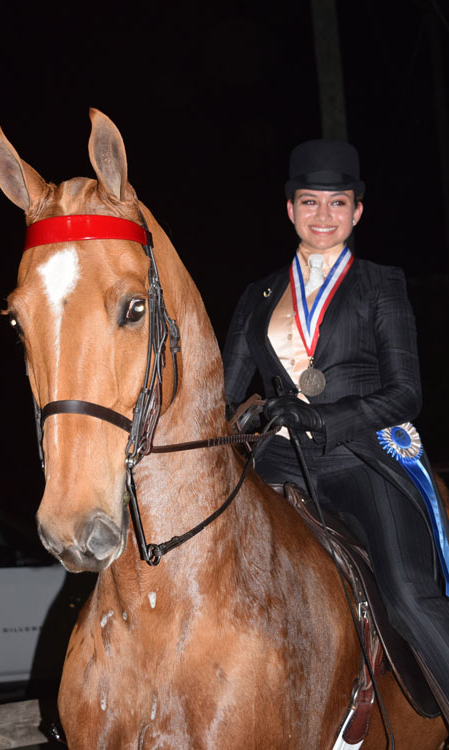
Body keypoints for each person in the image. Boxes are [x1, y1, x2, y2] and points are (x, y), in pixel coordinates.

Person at [222, 138, 449, 721]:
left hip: (362, 459)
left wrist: (322, 417)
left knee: (408, 596)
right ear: (291, 210)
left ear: (357, 212)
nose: (324, 216)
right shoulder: (258, 296)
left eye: (338, 203)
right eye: (311, 203)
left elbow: (406, 394)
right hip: (274, 461)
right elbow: (221, 395)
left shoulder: (381, 284)